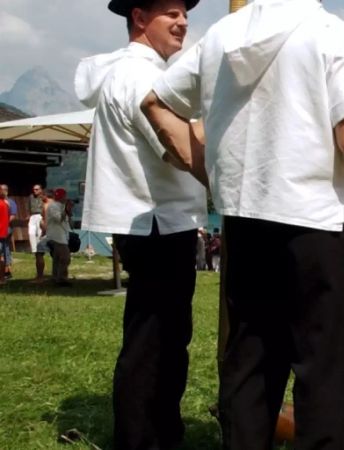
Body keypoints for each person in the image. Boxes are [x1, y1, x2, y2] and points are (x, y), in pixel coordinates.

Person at [141, 0, 344, 447]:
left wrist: (205, 166)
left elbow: (154, 100)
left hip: (245, 223)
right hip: (316, 226)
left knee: (250, 372)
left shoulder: (221, 37)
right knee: (327, 380)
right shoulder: (331, 33)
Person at [73, 0, 208, 447]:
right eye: (170, 12)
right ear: (139, 16)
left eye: (184, 13)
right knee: (157, 339)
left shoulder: (123, 70)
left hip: (149, 218)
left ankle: (157, 432)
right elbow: (176, 147)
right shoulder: (142, 76)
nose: (183, 21)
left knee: (156, 333)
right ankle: (145, 438)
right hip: (157, 220)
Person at [45, 189, 72, 287]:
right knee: (65, 257)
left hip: (62, 234)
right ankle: (62, 278)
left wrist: (69, 210)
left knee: (57, 258)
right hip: (57, 235)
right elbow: (59, 219)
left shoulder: (61, 206)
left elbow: (67, 220)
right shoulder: (53, 206)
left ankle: (56, 277)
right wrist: (66, 210)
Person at [27, 184, 46, 277]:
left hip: (40, 216)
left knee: (39, 235)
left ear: (40, 190)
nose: (35, 191)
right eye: (34, 189)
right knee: (31, 233)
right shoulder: (31, 197)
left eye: (37, 189)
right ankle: (34, 249)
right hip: (32, 216)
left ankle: (39, 249)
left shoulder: (43, 198)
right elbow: (29, 206)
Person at [1, 184, 15, 280]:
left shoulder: (9, 202)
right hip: (3, 228)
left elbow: (13, 215)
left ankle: (7, 270)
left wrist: (5, 222)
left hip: (6, 228)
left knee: (5, 249)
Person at [0, 189, 8, 287]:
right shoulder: (4, 204)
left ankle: (1, 279)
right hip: (2, 233)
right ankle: (2, 278)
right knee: (1, 256)